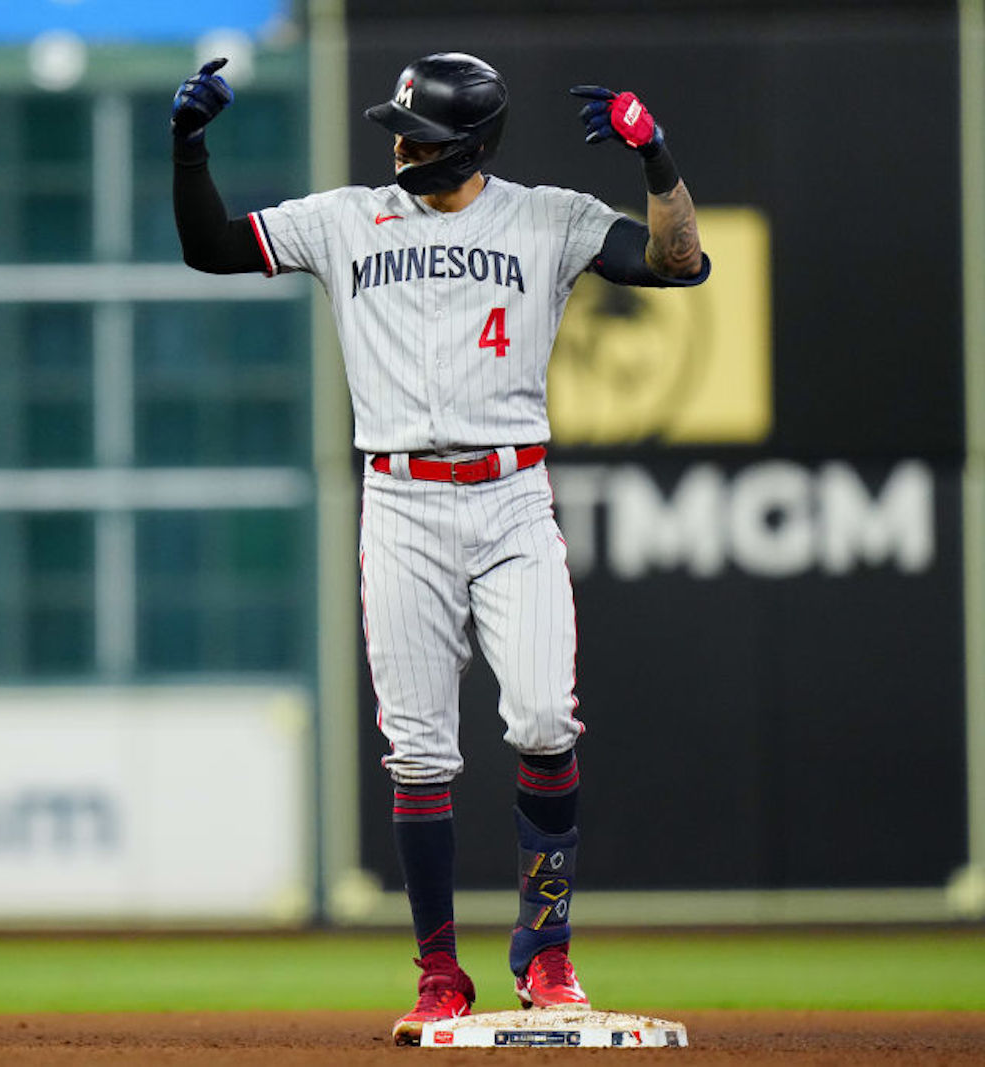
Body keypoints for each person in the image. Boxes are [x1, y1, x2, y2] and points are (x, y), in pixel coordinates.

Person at [170, 52, 708, 1043]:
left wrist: (657, 158)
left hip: (509, 494)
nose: (397, 142)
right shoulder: (343, 217)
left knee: (544, 718)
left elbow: (681, 262)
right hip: (400, 499)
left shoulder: (545, 217)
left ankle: (546, 956)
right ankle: (436, 974)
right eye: (397, 127)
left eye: (415, 132)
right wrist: (189, 148)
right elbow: (210, 247)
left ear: (468, 144)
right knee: (417, 750)